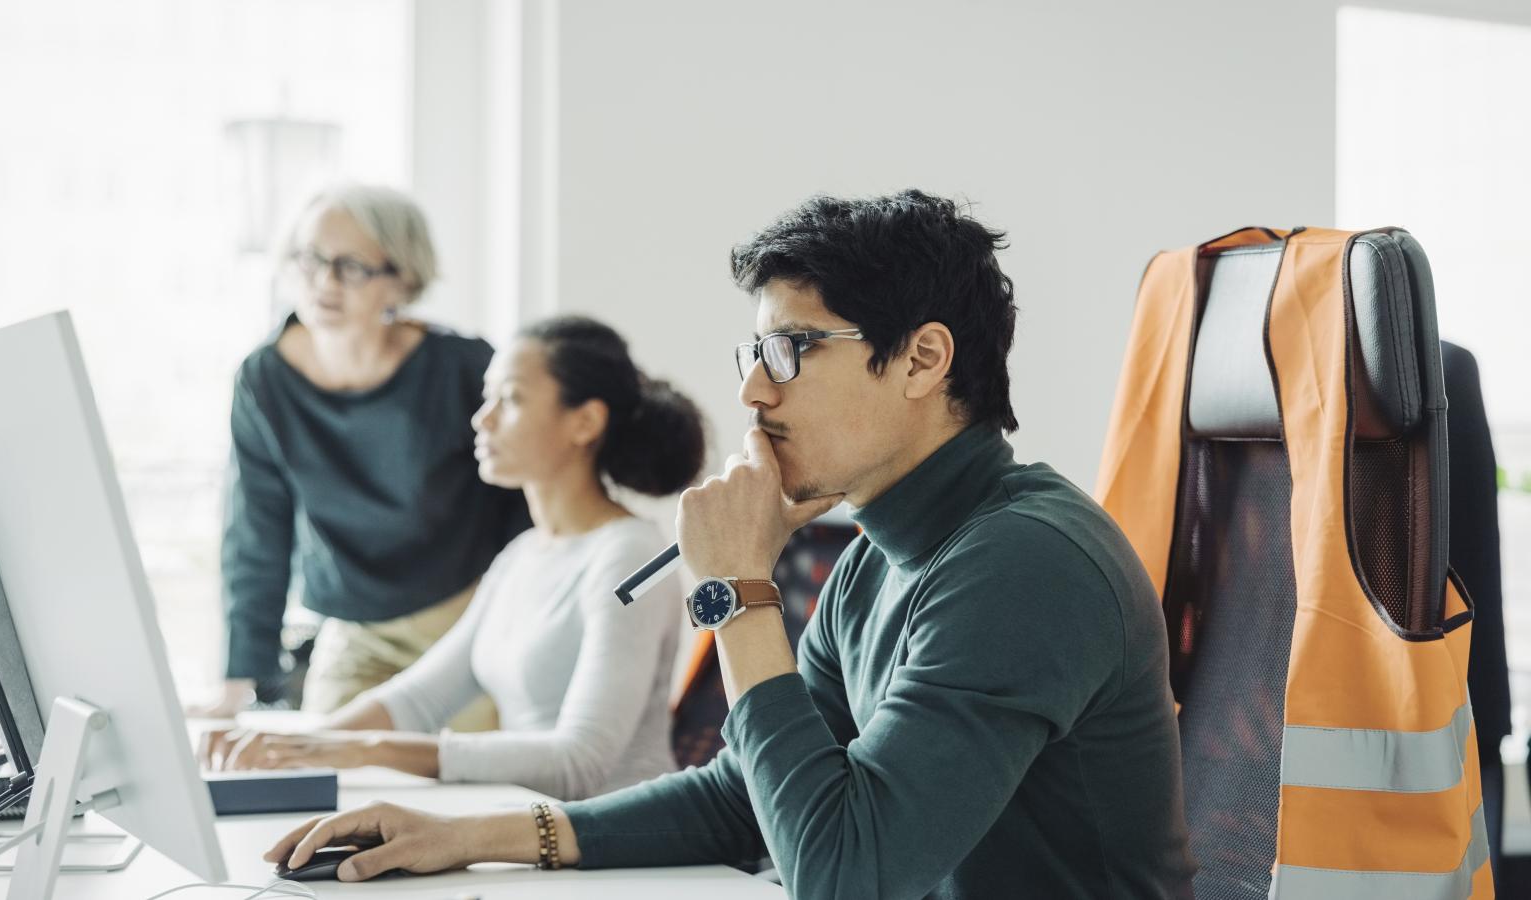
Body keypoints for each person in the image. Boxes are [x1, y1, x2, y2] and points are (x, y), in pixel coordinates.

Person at [263, 190, 1196, 898]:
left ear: (922, 359)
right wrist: (472, 836)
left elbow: (843, 873)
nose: (754, 394)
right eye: (753, 357)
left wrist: (741, 591)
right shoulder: (881, 552)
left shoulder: (1024, 563)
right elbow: (737, 797)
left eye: (790, 351)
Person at [201, 316, 703, 800]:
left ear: (585, 422)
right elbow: (419, 699)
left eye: (510, 399)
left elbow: (578, 762)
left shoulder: (631, 555)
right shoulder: (522, 556)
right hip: (534, 826)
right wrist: (298, 746)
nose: (481, 419)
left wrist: (363, 750)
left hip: (622, 843)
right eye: (488, 397)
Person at [187, 183, 530, 719]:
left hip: (465, 618)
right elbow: (256, 530)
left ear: (403, 279)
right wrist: (239, 679)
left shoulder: (463, 367)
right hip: (354, 628)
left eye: (352, 267)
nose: (324, 282)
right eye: (311, 259)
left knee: (471, 785)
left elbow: (523, 500)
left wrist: (518, 617)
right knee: (327, 770)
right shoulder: (265, 379)